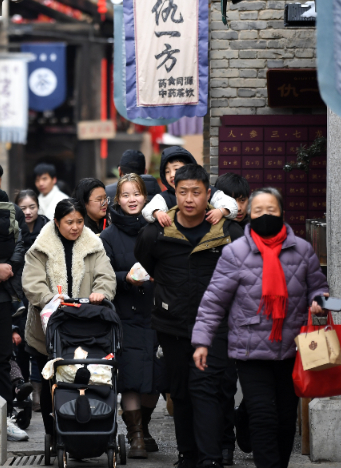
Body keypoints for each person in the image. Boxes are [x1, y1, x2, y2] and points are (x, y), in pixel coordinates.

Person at [192, 188, 329, 468]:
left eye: (271, 210)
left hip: (292, 349)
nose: (265, 215)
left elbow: (318, 287)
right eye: (258, 211)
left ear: (282, 213)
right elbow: (214, 300)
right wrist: (202, 342)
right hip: (250, 349)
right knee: (263, 416)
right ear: (249, 216)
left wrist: (319, 302)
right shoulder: (235, 253)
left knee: (285, 420)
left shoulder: (302, 250)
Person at [134, 165, 243, 468]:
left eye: (197, 192)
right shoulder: (156, 233)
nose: (190, 199)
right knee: (180, 392)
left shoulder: (228, 233)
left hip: (216, 327)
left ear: (208, 194)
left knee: (207, 389)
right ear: (175, 193)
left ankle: (210, 458)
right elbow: (146, 261)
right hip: (173, 325)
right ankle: (187, 455)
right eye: (183, 192)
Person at [22, 198, 117, 447]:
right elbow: (32, 282)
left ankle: (85, 432)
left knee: (85, 378)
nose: (75, 227)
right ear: (57, 222)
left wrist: (101, 292)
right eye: (69, 222)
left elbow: (106, 275)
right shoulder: (40, 248)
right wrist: (49, 300)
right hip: (47, 330)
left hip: (86, 327)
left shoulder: (93, 245)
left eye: (79, 221)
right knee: (50, 383)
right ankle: (54, 435)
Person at [100, 174, 159, 459]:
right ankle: (135, 436)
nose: (132, 199)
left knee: (156, 377)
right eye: (125, 195)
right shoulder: (107, 237)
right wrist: (126, 278)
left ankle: (143, 427)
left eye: (136, 193)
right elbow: (103, 275)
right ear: (117, 200)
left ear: (145, 197)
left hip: (158, 313)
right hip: (126, 314)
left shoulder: (158, 229)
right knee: (132, 377)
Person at [0, 162, 29, 442]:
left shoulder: (11, 211)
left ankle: (5, 416)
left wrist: (6, 269)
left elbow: (21, 243)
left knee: (1, 357)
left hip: (2, 297)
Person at [211, 172, 251, 464]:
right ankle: (225, 444)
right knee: (224, 384)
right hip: (221, 320)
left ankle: (246, 427)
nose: (239, 205)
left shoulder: (257, 229)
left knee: (255, 384)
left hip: (252, 320)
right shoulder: (211, 229)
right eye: (232, 199)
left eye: (242, 199)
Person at [14, 189, 50, 410]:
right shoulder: (14, 229)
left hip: (41, 292)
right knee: (21, 346)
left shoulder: (47, 229)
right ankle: (23, 390)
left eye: (32, 207)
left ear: (38, 206)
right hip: (19, 293)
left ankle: (39, 393)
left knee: (39, 344)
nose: (28, 212)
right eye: (23, 208)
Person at [142, 147, 238, 227]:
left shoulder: (208, 191)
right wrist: (157, 213)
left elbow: (232, 205)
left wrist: (221, 211)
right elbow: (147, 210)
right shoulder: (164, 197)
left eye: (176, 169)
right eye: (167, 171)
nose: (171, 175)